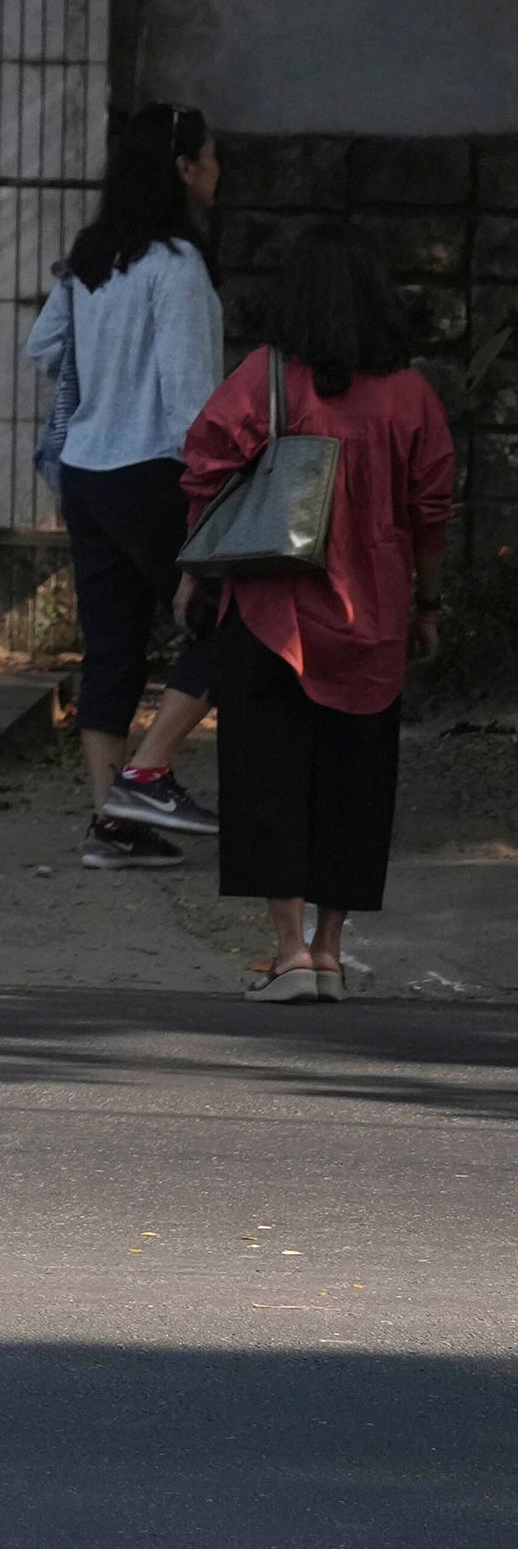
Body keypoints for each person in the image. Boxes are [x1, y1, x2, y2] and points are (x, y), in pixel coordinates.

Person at [171, 224, 460, 1001]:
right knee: (354, 783)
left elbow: (205, 467)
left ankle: (287, 950)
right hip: (374, 617)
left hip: (272, 610)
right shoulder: (411, 396)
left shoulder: (265, 377)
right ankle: (331, 952)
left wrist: (197, 575)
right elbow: (432, 511)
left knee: (270, 778)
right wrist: (426, 606)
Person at [26, 103, 228, 865]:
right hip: (155, 474)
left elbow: (41, 343)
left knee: (111, 649)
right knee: (227, 619)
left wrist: (105, 372)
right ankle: (146, 777)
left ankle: (111, 823)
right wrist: (211, 512)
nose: (217, 168)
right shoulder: (175, 266)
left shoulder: (92, 254)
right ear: (183, 167)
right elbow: (192, 405)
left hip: (86, 471)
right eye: (211, 156)